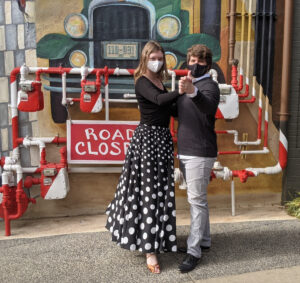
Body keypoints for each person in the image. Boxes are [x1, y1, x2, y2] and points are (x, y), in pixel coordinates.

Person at [105, 40, 181, 274]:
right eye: (153, 58)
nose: (157, 62)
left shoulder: (161, 81)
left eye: (160, 58)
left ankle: (158, 238)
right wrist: (181, 91)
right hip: (148, 141)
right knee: (148, 192)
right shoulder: (142, 82)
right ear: (145, 59)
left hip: (162, 141)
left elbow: (171, 109)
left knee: (160, 191)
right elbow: (159, 102)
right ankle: (150, 251)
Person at [176, 44, 220, 273]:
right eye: (192, 60)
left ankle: (193, 251)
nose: (195, 64)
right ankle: (204, 241)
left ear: (208, 65)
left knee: (196, 201)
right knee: (198, 198)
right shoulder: (185, 86)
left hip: (200, 152)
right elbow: (180, 112)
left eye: (200, 62)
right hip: (186, 150)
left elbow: (209, 107)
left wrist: (192, 91)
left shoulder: (209, 86)